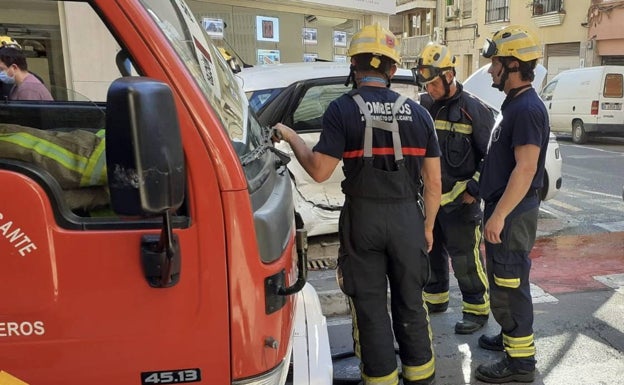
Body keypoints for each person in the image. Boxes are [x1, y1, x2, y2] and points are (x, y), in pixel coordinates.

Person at [272, 23, 442, 385]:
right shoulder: (421, 114)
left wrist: (289, 136)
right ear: (392, 70)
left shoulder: (341, 110)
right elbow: (435, 182)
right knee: (411, 299)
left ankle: (381, 379)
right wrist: (427, 228)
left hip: (363, 217)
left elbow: (319, 170)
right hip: (407, 218)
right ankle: (421, 375)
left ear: (354, 66)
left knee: (369, 305)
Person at [475, 24, 549, 383]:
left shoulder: (527, 110)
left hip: (513, 214)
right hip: (504, 209)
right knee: (502, 281)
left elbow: (526, 167)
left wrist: (500, 215)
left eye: (496, 63)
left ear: (514, 65)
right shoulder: (514, 105)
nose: (491, 69)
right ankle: (509, 338)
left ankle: (520, 363)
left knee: (510, 284)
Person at [412, 43, 494, 334]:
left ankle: (476, 308)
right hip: (432, 202)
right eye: (427, 84)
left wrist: (474, 189)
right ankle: (436, 298)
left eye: (434, 82)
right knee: (432, 252)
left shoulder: (474, 110)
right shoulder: (422, 105)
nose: (430, 88)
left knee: (465, 258)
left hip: (462, 202)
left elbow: (491, 157)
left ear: (449, 76)